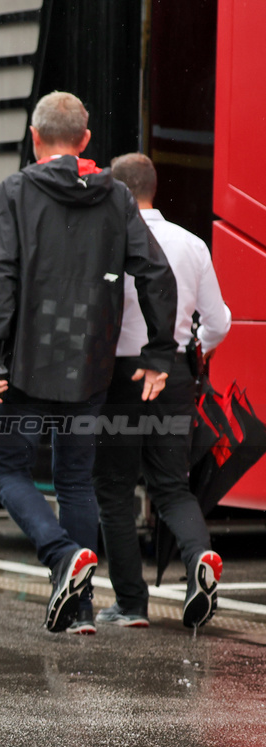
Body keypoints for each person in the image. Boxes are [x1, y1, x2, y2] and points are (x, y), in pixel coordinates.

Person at [0, 91, 177, 633]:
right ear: (85, 140)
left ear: (34, 137)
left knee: (7, 470)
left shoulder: (17, 190)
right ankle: (81, 611)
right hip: (91, 360)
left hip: (26, 359)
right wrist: (160, 351)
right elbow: (156, 274)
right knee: (76, 483)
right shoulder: (116, 197)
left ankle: (62, 556)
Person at [94, 153, 231, 629]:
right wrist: (190, 353)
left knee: (112, 489)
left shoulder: (107, 241)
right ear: (154, 188)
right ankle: (199, 561)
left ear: (117, 191)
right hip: (171, 371)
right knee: (172, 486)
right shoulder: (192, 244)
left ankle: (131, 604)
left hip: (118, 376)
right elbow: (218, 322)